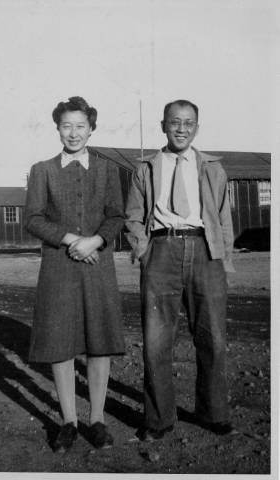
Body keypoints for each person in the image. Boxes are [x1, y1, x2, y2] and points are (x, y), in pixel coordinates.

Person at [125, 99, 235, 442]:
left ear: (197, 128)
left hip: (205, 251)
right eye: (175, 122)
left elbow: (223, 216)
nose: (182, 129)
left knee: (213, 338)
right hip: (161, 251)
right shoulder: (145, 167)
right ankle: (159, 419)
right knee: (157, 340)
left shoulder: (213, 167)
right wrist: (143, 251)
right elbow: (133, 215)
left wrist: (223, 259)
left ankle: (213, 412)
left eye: (189, 123)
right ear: (163, 125)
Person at [25, 96, 125, 452]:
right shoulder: (42, 170)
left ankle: (96, 420)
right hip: (58, 267)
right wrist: (71, 240)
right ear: (57, 128)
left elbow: (116, 215)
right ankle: (69, 422)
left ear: (92, 128)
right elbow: (33, 218)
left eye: (80, 125)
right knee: (61, 343)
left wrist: (96, 240)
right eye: (66, 125)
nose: (73, 133)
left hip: (98, 266)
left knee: (99, 342)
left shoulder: (107, 170)